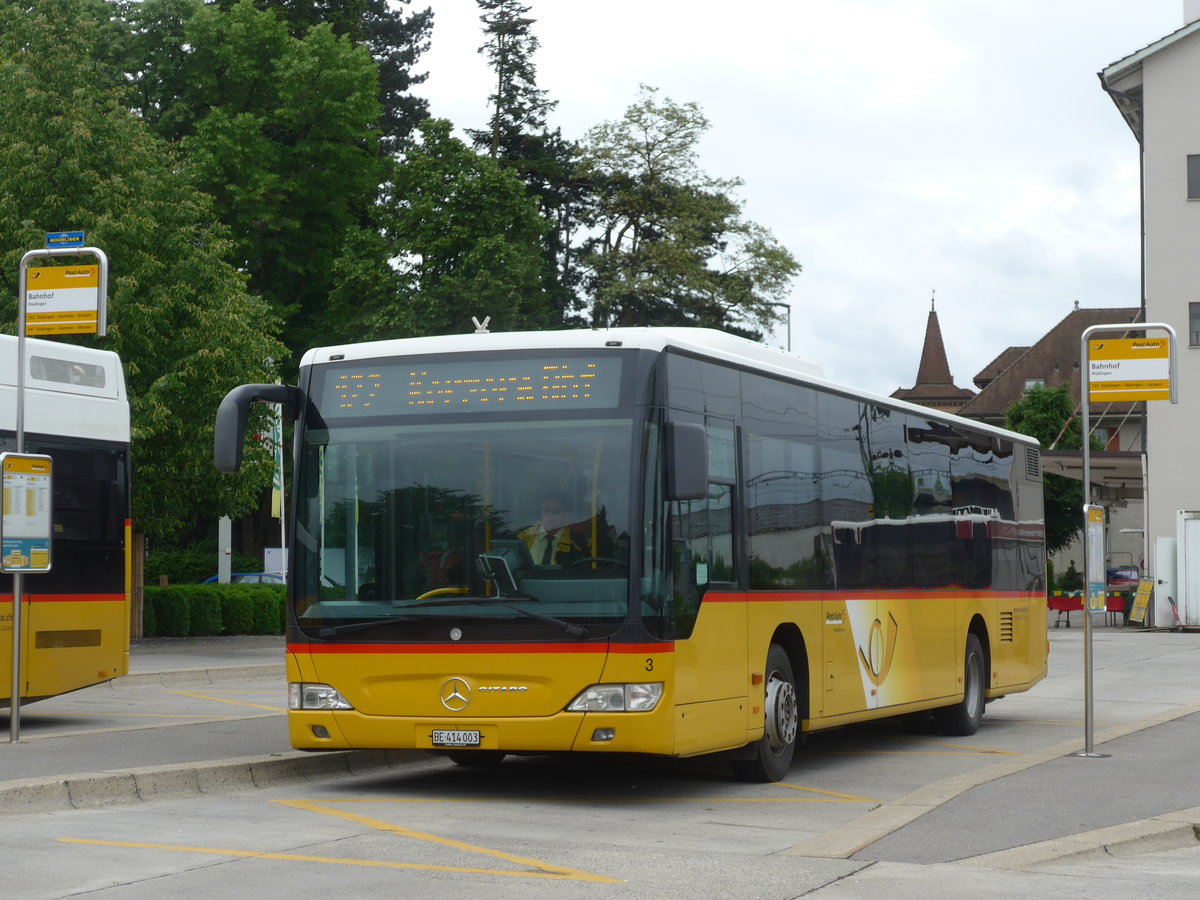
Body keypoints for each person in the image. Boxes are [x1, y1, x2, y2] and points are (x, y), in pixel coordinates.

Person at [519, 490, 591, 567]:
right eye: (546, 510)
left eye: (556, 511)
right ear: (540, 512)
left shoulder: (576, 543)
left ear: (566, 515)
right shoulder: (523, 537)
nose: (550, 515)